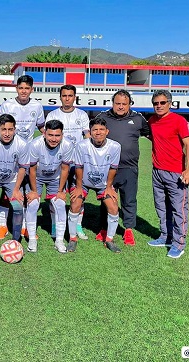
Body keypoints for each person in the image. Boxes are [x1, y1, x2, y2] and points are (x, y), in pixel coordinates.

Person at [96, 90, 150, 246]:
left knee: (129, 200)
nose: (120, 107)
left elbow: (151, 135)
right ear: (112, 103)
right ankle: (104, 229)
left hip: (129, 168)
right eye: (117, 103)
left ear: (129, 104)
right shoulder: (102, 117)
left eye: (124, 104)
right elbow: (92, 136)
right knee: (106, 200)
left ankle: (128, 230)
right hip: (107, 168)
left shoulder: (138, 119)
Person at [0, 74, 45, 239]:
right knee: (5, 190)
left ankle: (24, 226)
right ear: (16, 88)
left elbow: (42, 128)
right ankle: (3, 226)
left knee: (24, 191)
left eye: (27, 88)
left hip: (27, 156)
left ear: (32, 89)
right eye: (21, 88)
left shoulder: (37, 107)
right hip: (8, 153)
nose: (24, 91)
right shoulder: (7, 105)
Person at [147, 90, 189, 259]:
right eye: (155, 103)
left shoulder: (178, 121)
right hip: (157, 171)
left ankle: (179, 244)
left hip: (176, 173)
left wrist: (188, 170)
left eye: (162, 103)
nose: (158, 106)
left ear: (170, 103)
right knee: (161, 207)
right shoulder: (152, 121)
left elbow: (188, 145)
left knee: (179, 209)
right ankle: (165, 236)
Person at [69, 118, 122, 253]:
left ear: (107, 131)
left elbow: (113, 168)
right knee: (75, 203)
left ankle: (109, 240)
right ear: (90, 132)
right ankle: (72, 238)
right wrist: (79, 187)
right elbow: (79, 167)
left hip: (103, 184)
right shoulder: (82, 146)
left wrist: (109, 187)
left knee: (113, 207)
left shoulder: (115, 146)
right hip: (84, 182)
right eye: (95, 130)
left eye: (101, 129)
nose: (98, 132)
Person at [45, 84, 90, 240]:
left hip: (77, 162)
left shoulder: (82, 115)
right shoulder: (52, 115)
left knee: (78, 195)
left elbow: (87, 136)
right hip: (58, 162)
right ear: (60, 97)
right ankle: (54, 225)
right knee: (56, 195)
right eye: (64, 95)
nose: (67, 98)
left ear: (74, 97)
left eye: (70, 96)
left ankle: (77, 225)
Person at [25, 119, 73, 253]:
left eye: (57, 135)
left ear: (62, 135)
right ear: (44, 133)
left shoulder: (68, 145)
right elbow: (32, 169)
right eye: (50, 135)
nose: (54, 139)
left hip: (55, 177)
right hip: (37, 177)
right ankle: (32, 240)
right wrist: (34, 191)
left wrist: (60, 191)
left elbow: (65, 169)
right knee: (33, 203)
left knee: (60, 204)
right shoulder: (35, 144)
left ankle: (59, 240)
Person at [0, 114, 28, 254]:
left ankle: (15, 243)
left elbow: (22, 168)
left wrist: (16, 189)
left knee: (18, 207)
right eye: (4, 129)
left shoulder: (22, 144)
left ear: (15, 129)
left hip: (12, 180)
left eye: (10, 129)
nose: (7, 133)